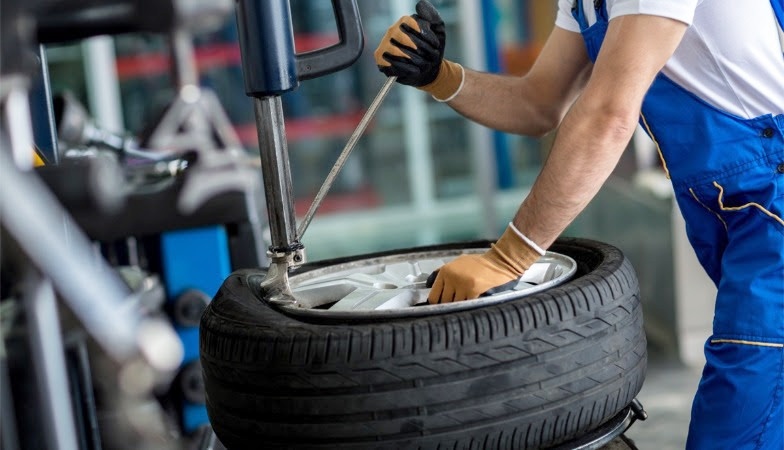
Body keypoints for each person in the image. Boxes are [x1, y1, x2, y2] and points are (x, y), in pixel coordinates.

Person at [374, 0, 784, 448]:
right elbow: (538, 105)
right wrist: (440, 75)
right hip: (733, 210)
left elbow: (609, 114)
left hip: (771, 203)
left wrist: (509, 257)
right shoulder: (584, 3)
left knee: (737, 421)